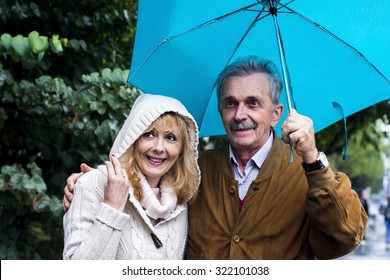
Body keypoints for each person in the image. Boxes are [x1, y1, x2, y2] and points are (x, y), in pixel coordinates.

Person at [63, 56, 367, 260]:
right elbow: (144, 183)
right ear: (220, 110)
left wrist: (313, 159)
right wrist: (89, 184)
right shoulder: (196, 172)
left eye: (253, 103)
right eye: (230, 103)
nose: (240, 114)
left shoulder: (307, 174)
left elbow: (346, 236)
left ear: (276, 114)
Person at [62, 94, 200, 260]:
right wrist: (112, 208)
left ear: (181, 150)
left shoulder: (182, 201)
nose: (158, 147)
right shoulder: (93, 184)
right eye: (149, 134)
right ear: (133, 139)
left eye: (170, 138)